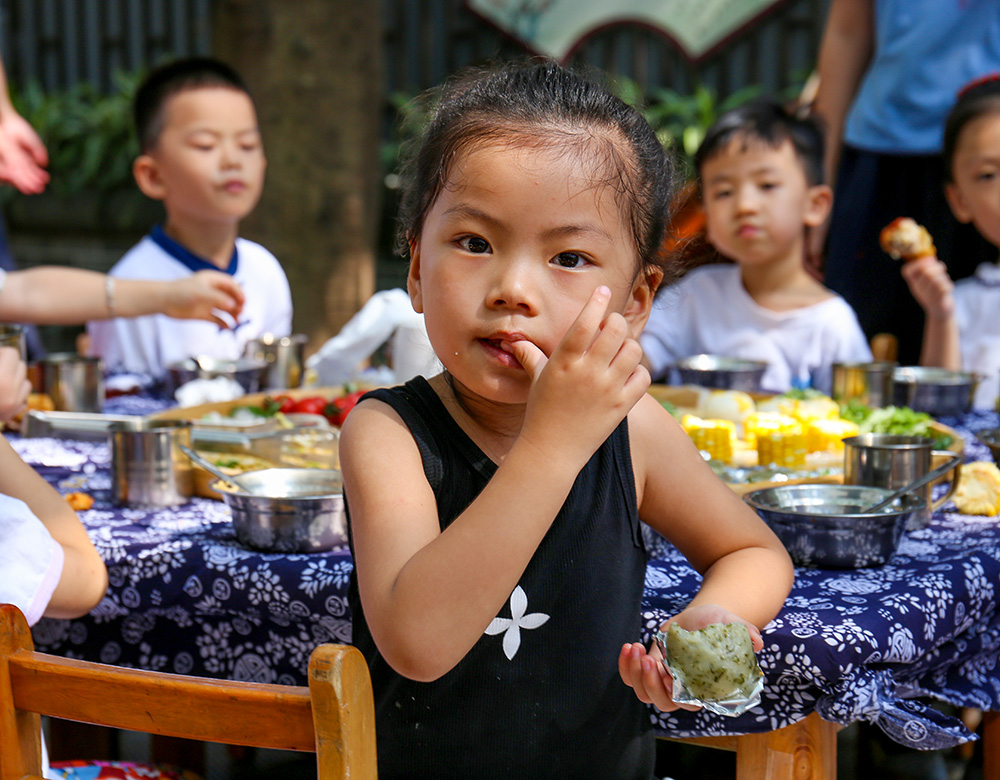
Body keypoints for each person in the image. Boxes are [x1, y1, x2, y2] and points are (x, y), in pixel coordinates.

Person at [339, 59, 794, 780]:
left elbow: (754, 553)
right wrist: (554, 442)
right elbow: (418, 642)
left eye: (570, 256)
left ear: (636, 302)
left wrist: (714, 620)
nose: (513, 290)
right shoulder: (388, 434)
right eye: (474, 243)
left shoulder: (633, 429)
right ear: (417, 268)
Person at [811, 0, 1000, 366]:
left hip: (987, 147)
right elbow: (846, 34)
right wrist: (819, 184)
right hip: (882, 149)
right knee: (863, 353)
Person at [640, 100, 872, 395]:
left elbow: (855, 418)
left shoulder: (832, 325)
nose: (745, 206)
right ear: (707, 216)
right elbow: (637, 357)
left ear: (815, 205)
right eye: (724, 192)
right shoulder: (696, 295)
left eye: (766, 185)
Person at [86, 56, 292, 381]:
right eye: (205, 144)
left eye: (247, 144)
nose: (232, 160)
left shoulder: (265, 271)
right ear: (152, 175)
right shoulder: (130, 288)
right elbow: (121, 407)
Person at [901, 74, 1000, 410]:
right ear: (958, 200)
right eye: (988, 175)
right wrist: (941, 316)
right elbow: (939, 418)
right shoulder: (961, 302)